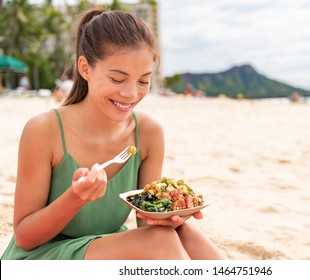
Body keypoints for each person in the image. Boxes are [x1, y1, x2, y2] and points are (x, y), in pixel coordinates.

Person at [1, 9, 226, 260]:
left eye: (143, 81)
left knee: (186, 233)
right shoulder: (44, 130)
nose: (131, 94)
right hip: (41, 256)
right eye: (118, 79)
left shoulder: (149, 133)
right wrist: (75, 197)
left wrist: (169, 215)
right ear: (85, 68)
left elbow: (147, 224)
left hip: (103, 247)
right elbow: (25, 237)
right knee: (160, 242)